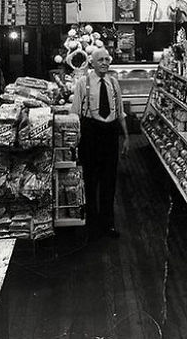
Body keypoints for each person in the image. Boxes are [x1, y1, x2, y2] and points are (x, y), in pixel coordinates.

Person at [70, 48, 129, 238]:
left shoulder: (113, 82)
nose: (105, 62)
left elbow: (120, 112)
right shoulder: (82, 83)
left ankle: (108, 223)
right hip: (90, 132)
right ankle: (92, 224)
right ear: (92, 63)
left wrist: (126, 136)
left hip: (110, 133)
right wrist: (75, 140)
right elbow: (75, 114)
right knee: (90, 179)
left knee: (109, 180)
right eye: (100, 60)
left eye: (107, 59)